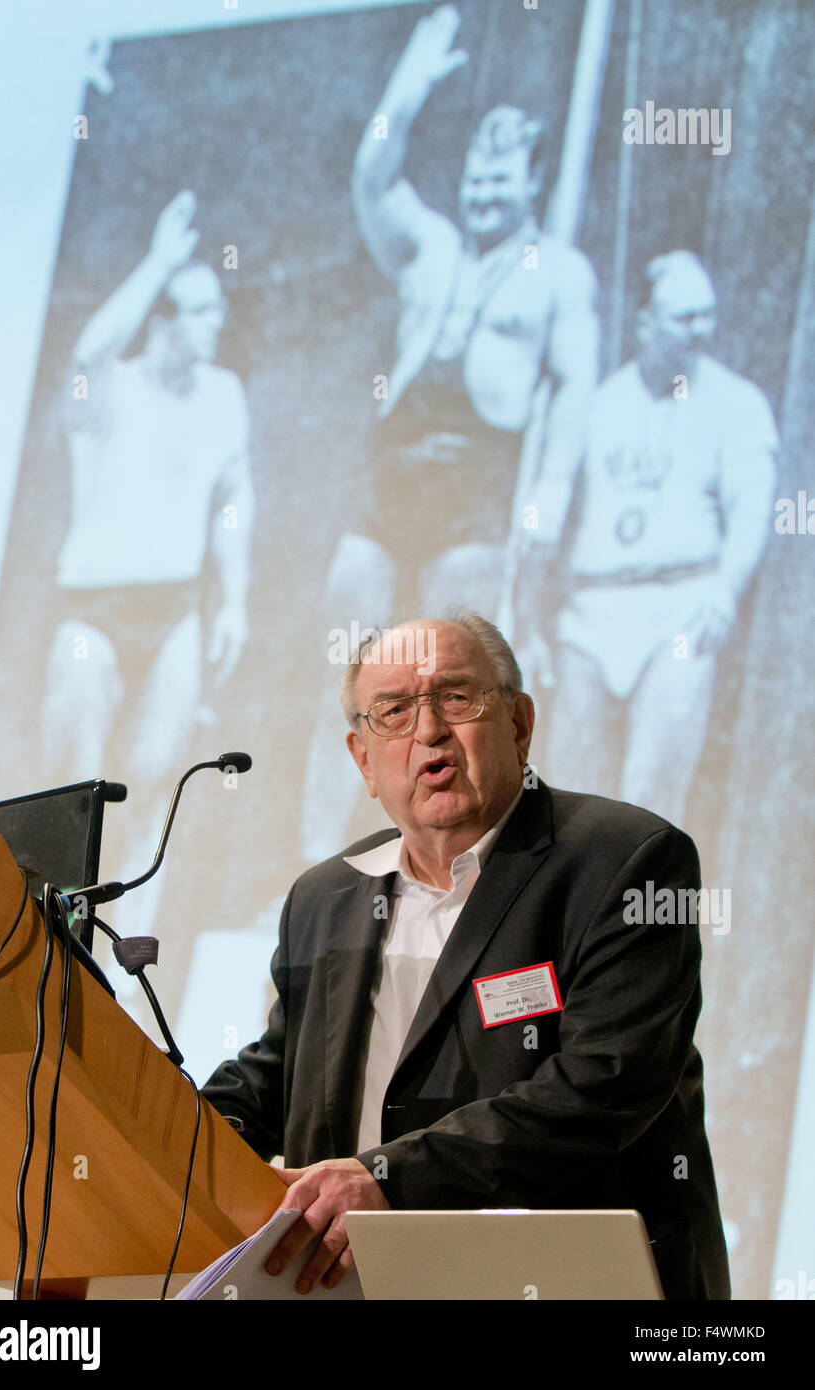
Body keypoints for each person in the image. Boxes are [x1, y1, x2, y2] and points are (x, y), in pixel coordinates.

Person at [203, 609, 731, 1301]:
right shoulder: (325, 897)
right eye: (392, 712)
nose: (428, 732)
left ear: (518, 724)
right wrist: (165, 1130)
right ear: (362, 759)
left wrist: (389, 1178)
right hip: (355, 1287)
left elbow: (605, 1085)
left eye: (456, 697)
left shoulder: (625, 860)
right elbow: (282, 1070)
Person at [301, 3, 598, 860]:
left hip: (474, 501)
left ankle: (455, 874)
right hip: (387, 491)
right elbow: (371, 174)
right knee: (351, 686)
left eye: (503, 175)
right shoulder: (428, 246)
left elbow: (571, 400)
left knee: (451, 705)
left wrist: (543, 509)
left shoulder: (559, 278)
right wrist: (413, 82)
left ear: (533, 183)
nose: (483, 186)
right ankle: (327, 866)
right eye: (476, 169)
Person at [41, 190, 254, 998]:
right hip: (93, 606)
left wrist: (232, 600)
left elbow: (236, 499)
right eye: (197, 310)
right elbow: (87, 347)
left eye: (217, 311)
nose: (213, 325)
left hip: (173, 609)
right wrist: (159, 264)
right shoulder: (110, 389)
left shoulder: (224, 395)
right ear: (162, 319)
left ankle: (121, 959)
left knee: (158, 772)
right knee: (79, 779)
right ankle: (48, 944)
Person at [545, 250, 778, 825]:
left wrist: (725, 590)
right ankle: (573, 912)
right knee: (570, 785)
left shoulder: (737, 404)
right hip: (592, 611)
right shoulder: (598, 402)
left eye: (707, 315)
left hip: (679, 608)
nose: (702, 330)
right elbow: (552, 499)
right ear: (645, 322)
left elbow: (753, 508)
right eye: (685, 318)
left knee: (653, 780)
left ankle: (644, 913)